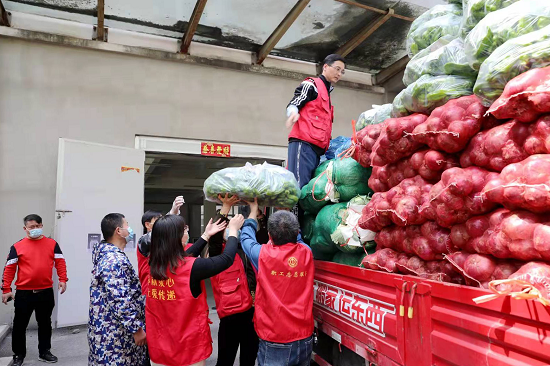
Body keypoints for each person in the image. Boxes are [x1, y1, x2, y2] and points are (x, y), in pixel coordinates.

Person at [146, 214, 245, 366]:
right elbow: (226, 260)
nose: (186, 231)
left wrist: (205, 236)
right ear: (177, 238)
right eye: (183, 230)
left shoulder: (154, 262)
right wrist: (233, 231)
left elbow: (185, 256)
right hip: (187, 350)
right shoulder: (192, 268)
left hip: (160, 347)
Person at [240, 200, 314, 366]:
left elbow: (245, 237)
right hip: (304, 337)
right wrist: (285, 211)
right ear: (297, 232)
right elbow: (297, 237)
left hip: (275, 338)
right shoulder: (306, 253)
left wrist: (252, 212)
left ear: (270, 236)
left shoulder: (262, 255)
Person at [2, 214, 68, 366]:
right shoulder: (17, 246)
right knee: (19, 325)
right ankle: (19, 354)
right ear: (25, 229)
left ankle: (44, 352)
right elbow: (9, 268)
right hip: (24, 293)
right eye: (32, 227)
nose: (36, 229)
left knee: (45, 323)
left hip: (45, 291)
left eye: (38, 226)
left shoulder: (52, 244)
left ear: (42, 225)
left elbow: (60, 262)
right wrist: (6, 288)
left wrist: (63, 279)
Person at [88, 213, 147, 366]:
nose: (130, 229)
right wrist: (136, 329)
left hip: (109, 330)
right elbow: (120, 299)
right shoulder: (114, 260)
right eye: (127, 225)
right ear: (118, 231)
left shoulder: (108, 254)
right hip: (115, 336)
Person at [208, 194, 259, 366]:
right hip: (230, 315)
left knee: (249, 358)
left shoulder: (247, 248)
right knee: (225, 359)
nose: (231, 232)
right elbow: (214, 237)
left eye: (234, 229)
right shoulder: (218, 253)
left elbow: (254, 233)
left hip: (252, 312)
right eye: (227, 229)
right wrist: (225, 207)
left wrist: (255, 211)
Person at [285, 54, 346, 190]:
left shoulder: (327, 93)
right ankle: (294, 213)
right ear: (325, 67)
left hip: (317, 150)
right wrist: (293, 113)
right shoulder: (312, 84)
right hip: (304, 144)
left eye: (342, 71)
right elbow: (296, 101)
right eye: (337, 69)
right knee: (299, 187)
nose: (339, 74)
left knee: (309, 189)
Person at [137, 196, 185, 294]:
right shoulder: (143, 242)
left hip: (163, 289)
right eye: (158, 221)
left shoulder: (162, 241)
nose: (162, 224)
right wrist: (172, 213)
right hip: (150, 290)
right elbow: (156, 234)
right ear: (147, 225)